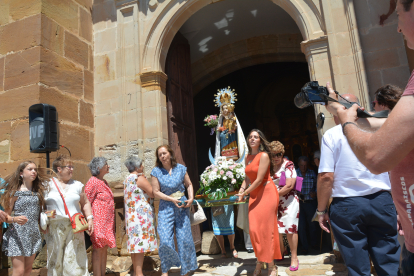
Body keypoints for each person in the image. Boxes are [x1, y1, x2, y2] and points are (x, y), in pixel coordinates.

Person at [318, 94, 401, 275]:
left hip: (348, 205)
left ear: (336, 113)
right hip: (381, 200)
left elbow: (326, 177)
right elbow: (393, 168)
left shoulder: (331, 135)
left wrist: (321, 210)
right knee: (389, 264)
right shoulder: (378, 129)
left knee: (357, 267)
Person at [236, 129, 281, 276]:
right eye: (250, 137)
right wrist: (242, 189)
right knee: (255, 231)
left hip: (267, 193)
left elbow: (259, 179)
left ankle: (271, 266)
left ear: (260, 140)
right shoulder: (248, 157)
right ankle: (260, 260)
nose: (253, 139)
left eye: (256, 137)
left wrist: (244, 193)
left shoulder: (264, 156)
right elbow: (248, 178)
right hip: (254, 195)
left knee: (266, 230)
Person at [150, 145, 197, 276]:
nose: (162, 156)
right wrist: (171, 200)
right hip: (166, 206)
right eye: (160, 155)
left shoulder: (181, 169)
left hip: (182, 206)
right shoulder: (156, 172)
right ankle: (165, 269)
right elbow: (155, 192)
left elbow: (189, 185)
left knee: (184, 238)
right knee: (164, 239)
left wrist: (191, 198)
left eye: (164, 153)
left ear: (170, 154)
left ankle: (186, 268)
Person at [44, 155, 93, 276]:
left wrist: (90, 219)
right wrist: (46, 216)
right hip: (55, 226)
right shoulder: (47, 185)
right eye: (68, 167)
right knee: (56, 258)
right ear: (59, 169)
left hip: (74, 226)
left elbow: (85, 202)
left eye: (72, 167)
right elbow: (41, 206)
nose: (72, 169)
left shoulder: (77, 185)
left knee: (74, 257)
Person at [1, 161, 50, 276]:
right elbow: (5, 217)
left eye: (35, 169)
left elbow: (40, 214)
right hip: (17, 234)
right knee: (19, 271)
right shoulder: (14, 193)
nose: (34, 172)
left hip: (33, 234)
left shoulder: (38, 193)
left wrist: (47, 217)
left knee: (28, 271)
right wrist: (14, 219)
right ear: (21, 173)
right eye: (30, 169)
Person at [123, 156, 157, 276]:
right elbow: (152, 193)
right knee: (139, 246)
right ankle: (139, 273)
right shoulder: (139, 178)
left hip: (132, 216)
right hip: (140, 216)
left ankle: (137, 272)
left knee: (134, 245)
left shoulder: (127, 179)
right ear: (137, 167)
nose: (143, 166)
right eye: (141, 164)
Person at [269, 141, 299, 271]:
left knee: (290, 228)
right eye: (273, 154)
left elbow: (290, 185)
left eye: (279, 154)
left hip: (289, 201)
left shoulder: (288, 164)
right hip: (274, 202)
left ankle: (294, 257)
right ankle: (281, 251)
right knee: (276, 228)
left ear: (283, 154)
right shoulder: (268, 166)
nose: (276, 157)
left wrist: (273, 195)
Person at [85, 157, 116, 276]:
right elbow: (86, 201)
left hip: (106, 223)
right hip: (98, 222)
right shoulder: (93, 182)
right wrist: (89, 220)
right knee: (98, 249)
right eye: (106, 164)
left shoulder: (103, 182)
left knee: (103, 249)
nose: (108, 166)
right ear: (99, 168)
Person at [295, 156, 317, 254]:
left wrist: (315, 193)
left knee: (312, 224)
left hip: (310, 203)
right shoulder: (295, 173)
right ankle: (304, 246)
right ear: (298, 165)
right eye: (301, 165)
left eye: (305, 165)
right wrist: (296, 193)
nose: (303, 168)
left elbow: (318, 185)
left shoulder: (312, 173)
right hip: (299, 204)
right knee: (301, 226)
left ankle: (314, 243)